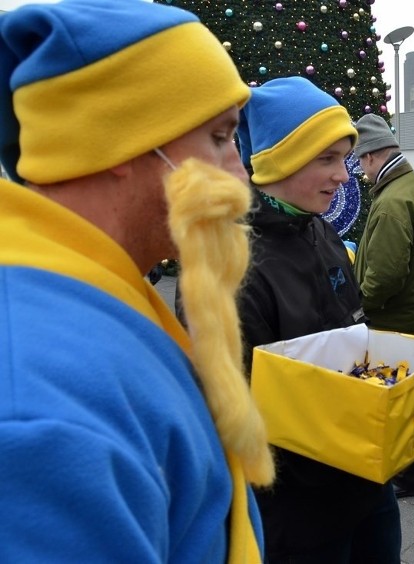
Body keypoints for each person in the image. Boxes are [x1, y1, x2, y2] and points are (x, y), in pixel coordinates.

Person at [0, 0, 275, 561]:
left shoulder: (101, 285)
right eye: (221, 138)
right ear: (119, 142)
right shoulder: (39, 414)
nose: (239, 173)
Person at [231, 76, 400, 563]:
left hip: (366, 481)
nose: (344, 177)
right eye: (326, 159)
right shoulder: (234, 264)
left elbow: (354, 343)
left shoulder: (321, 230)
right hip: (301, 509)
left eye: (344, 159)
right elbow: (245, 411)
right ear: (279, 159)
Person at [353, 113, 414, 498]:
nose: (359, 169)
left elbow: (385, 274)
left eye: (359, 160)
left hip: (394, 319)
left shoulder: (391, 200)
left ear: (372, 155)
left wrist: (361, 306)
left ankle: (410, 475)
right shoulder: (411, 187)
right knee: (412, 394)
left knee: (398, 399)